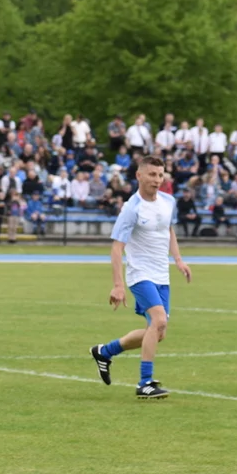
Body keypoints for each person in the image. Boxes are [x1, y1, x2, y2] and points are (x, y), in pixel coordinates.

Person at [90, 157, 192, 399]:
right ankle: (144, 383)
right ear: (139, 176)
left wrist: (178, 259)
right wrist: (118, 285)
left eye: (160, 175)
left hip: (162, 275)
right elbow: (116, 248)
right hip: (140, 274)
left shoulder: (168, 202)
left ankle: (105, 352)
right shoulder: (131, 208)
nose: (157, 180)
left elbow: (169, 231)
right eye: (152, 175)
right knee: (158, 321)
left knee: (158, 331)